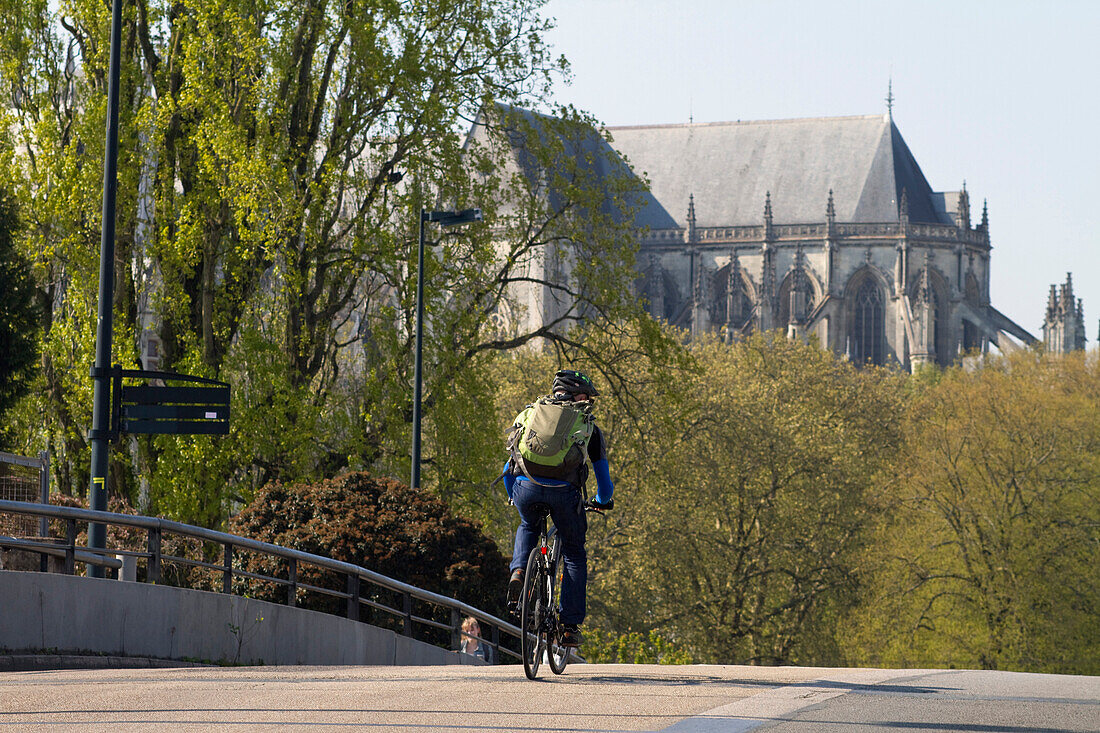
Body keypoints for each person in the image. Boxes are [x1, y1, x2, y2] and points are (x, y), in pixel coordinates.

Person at [502, 369, 615, 648]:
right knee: (575, 553)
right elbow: (605, 485)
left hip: (526, 488)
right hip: (565, 495)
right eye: (587, 397)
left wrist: (514, 497)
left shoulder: (529, 414)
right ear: (578, 395)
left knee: (528, 524)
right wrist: (601, 501)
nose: (589, 402)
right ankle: (569, 627)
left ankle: (518, 572)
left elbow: (509, 468)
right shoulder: (588, 426)